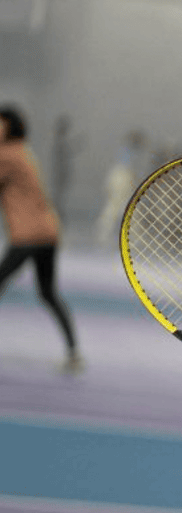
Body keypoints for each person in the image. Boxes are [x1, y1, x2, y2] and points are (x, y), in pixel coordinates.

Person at [0, 105, 82, 372]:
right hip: (48, 232)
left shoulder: (7, 155)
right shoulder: (22, 152)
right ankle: (74, 353)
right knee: (47, 292)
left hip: (28, 235)